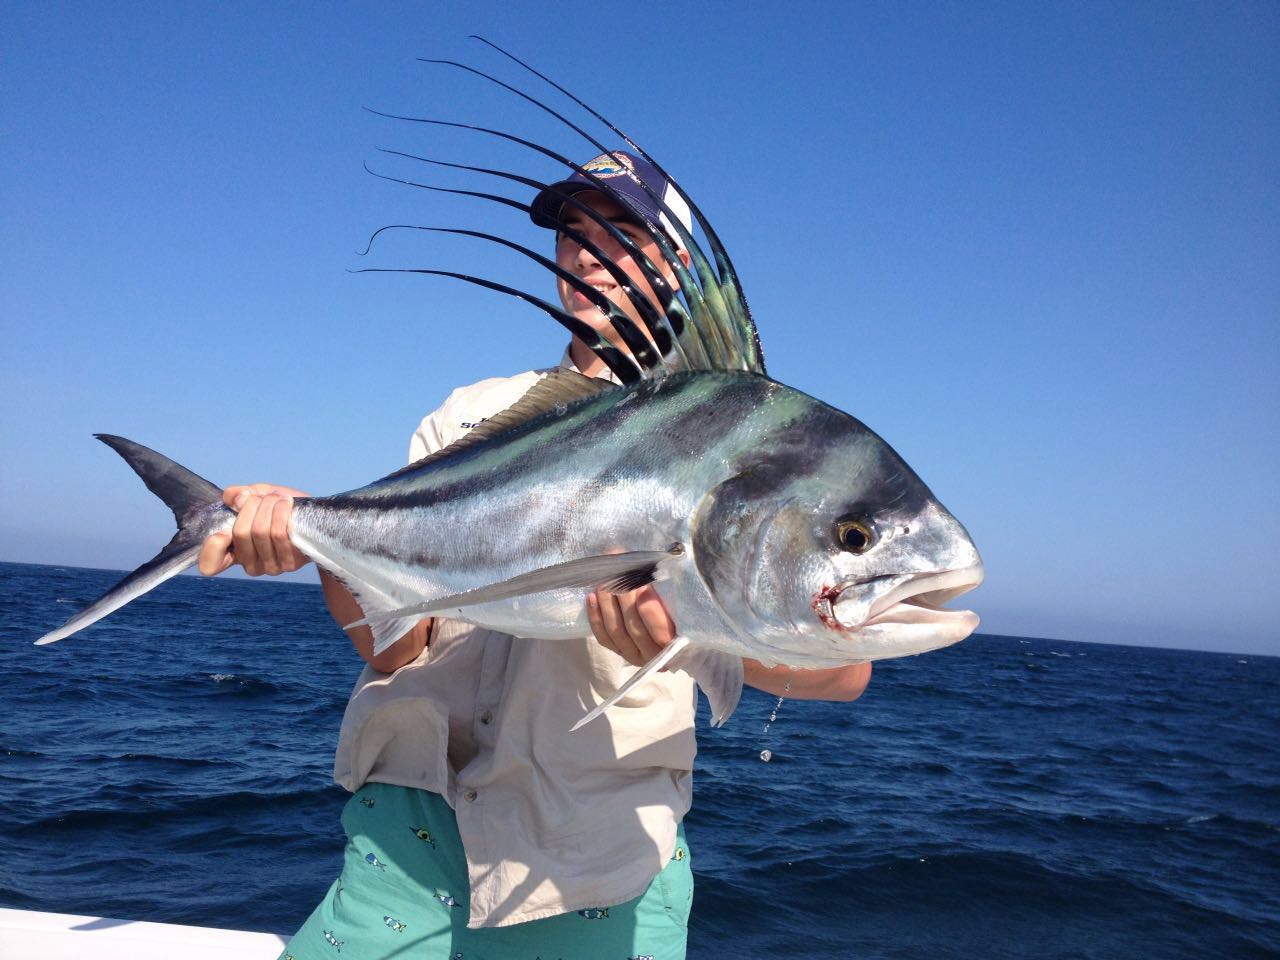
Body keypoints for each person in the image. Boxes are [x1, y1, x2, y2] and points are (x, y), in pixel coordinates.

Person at [198, 151, 872, 959]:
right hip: (408, 839)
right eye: (572, 233)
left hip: (593, 865)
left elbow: (844, 668)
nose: (589, 252)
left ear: (680, 263)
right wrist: (314, 542)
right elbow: (398, 646)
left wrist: (692, 630)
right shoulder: (470, 418)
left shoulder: (748, 439)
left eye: (624, 230)